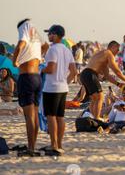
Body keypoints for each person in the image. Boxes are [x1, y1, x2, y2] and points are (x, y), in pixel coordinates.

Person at [41, 25, 77, 156]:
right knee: (60, 117)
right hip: (62, 88)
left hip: (51, 87)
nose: (48, 36)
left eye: (49, 33)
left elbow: (50, 69)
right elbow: (74, 72)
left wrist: (40, 69)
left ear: (55, 35)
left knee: (51, 117)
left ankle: (53, 144)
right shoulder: (67, 50)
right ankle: (59, 144)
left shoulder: (52, 50)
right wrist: (64, 82)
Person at [12, 19, 46, 156]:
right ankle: (32, 146)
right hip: (37, 77)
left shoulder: (24, 27)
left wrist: (15, 61)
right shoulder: (35, 33)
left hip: (26, 77)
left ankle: (31, 149)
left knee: (29, 116)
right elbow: (46, 46)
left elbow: (20, 45)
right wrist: (37, 56)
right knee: (35, 114)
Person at [79, 41, 125, 120]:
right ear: (112, 47)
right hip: (90, 74)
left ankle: (93, 117)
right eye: (117, 48)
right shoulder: (108, 53)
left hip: (84, 74)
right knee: (100, 97)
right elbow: (117, 71)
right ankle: (97, 118)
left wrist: (118, 84)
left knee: (94, 98)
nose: (118, 51)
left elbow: (107, 76)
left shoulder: (102, 55)